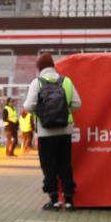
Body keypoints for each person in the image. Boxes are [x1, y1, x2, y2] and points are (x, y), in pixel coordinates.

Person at [23, 53, 82, 210]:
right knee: (65, 164)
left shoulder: (37, 83)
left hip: (45, 131)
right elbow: (77, 104)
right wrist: (64, 110)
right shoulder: (66, 81)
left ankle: (54, 199)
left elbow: (28, 106)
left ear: (39, 67)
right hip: (64, 129)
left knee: (48, 166)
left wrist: (41, 112)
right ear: (53, 65)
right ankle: (69, 200)